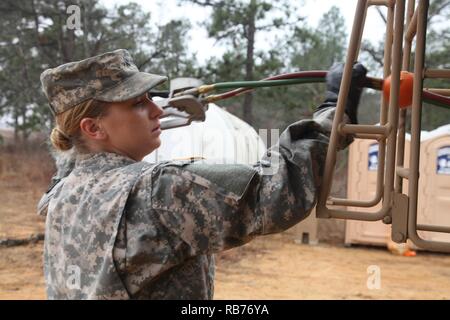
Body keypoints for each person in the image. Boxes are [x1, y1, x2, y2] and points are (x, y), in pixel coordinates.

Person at [37, 49, 367, 299]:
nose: (156, 109)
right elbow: (274, 192)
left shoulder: (61, 192)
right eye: (138, 103)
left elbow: (71, 155)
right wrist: (335, 108)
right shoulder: (156, 190)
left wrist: (153, 115)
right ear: (93, 127)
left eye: (152, 99)